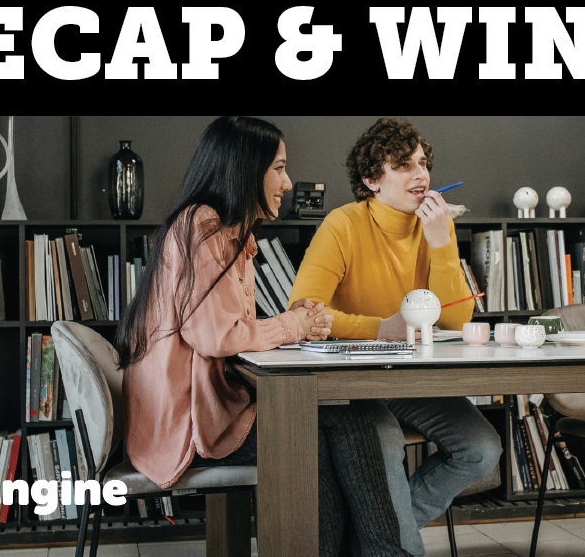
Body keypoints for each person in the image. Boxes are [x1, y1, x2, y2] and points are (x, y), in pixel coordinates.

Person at [117, 116, 410, 557]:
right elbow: (218, 336)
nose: (288, 183)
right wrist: (294, 326)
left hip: (208, 409)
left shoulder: (230, 234)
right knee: (329, 426)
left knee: (332, 427)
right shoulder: (204, 227)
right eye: (278, 168)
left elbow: (231, 332)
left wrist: (296, 323)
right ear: (245, 169)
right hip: (189, 427)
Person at [289, 118, 503, 556]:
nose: (420, 175)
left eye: (423, 163)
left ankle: (369, 536)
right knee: (385, 447)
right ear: (372, 179)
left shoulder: (436, 229)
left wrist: (443, 244)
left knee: (482, 449)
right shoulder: (342, 224)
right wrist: (377, 329)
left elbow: (458, 320)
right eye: (403, 165)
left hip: (410, 380)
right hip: (352, 380)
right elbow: (303, 311)